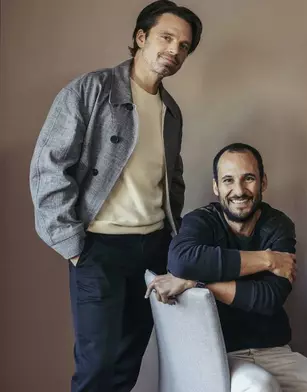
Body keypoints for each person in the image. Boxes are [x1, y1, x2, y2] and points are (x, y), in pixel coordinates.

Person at [28, 1, 201, 390]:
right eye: (166, 38)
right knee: (97, 366)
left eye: (184, 46)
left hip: (152, 249)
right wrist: (74, 246)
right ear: (141, 37)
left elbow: (172, 180)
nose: (175, 50)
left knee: (128, 361)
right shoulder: (91, 90)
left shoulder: (171, 111)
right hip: (98, 249)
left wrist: (172, 242)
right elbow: (48, 168)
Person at [146, 143, 307, 392]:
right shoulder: (201, 221)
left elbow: (269, 298)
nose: (239, 190)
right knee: (260, 387)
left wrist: (198, 283)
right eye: (228, 180)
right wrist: (267, 259)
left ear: (263, 182)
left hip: (275, 351)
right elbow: (181, 261)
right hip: (221, 354)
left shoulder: (279, 225)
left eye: (248, 178)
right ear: (216, 186)